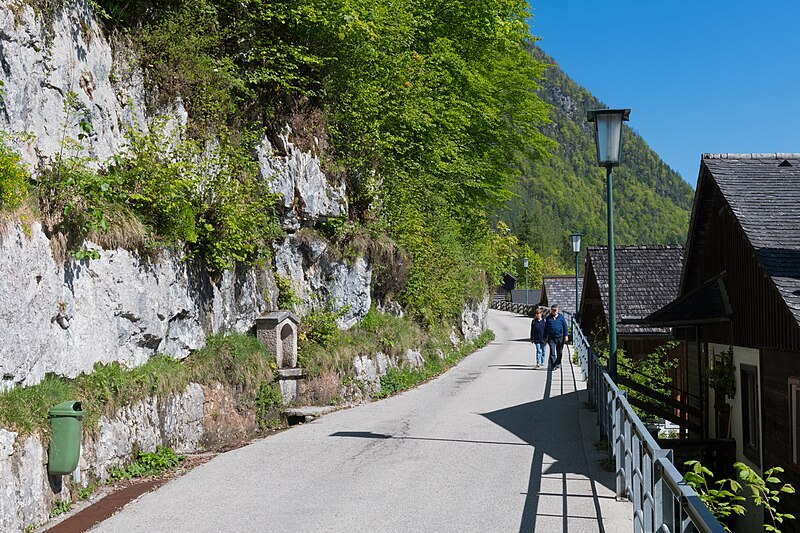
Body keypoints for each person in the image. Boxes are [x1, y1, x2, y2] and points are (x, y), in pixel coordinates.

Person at [545, 304, 569, 370]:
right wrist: (545, 337)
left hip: (560, 337)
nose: (554, 311)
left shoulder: (561, 317)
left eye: (555, 310)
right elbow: (546, 328)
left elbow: (565, 327)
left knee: (559, 352)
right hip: (551, 338)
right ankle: (553, 365)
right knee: (552, 352)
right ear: (551, 310)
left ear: (558, 310)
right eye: (553, 310)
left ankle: (558, 363)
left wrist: (566, 335)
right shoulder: (548, 318)